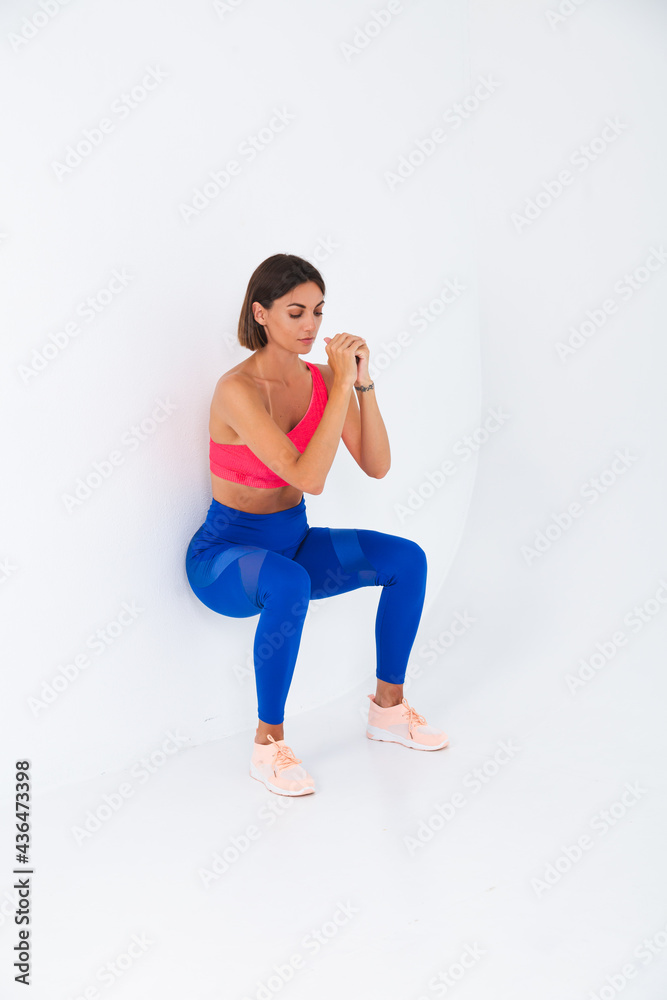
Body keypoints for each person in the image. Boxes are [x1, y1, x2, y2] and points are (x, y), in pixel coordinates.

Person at [185, 253, 448, 797]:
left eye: (319, 312)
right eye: (296, 312)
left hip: (294, 543)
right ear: (261, 314)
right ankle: (268, 744)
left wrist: (360, 383)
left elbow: (377, 465)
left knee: (406, 560)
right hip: (226, 560)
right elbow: (310, 476)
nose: (311, 327)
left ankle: (389, 711)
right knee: (289, 583)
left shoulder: (324, 378)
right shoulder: (237, 390)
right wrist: (335, 389)